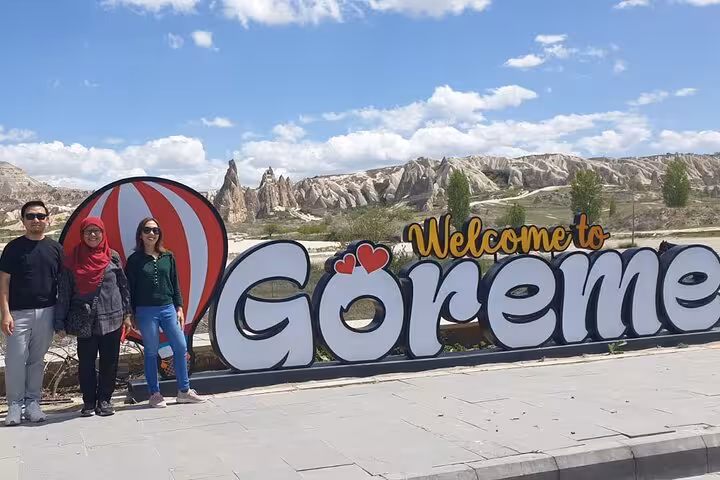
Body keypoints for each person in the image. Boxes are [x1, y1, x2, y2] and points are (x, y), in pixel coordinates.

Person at [54, 217, 133, 417]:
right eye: (88, 231)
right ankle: (89, 401)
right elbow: (64, 292)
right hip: (85, 321)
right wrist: (59, 322)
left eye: (96, 231)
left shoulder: (112, 257)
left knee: (110, 361)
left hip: (113, 319)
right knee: (86, 362)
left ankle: (105, 400)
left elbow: (123, 287)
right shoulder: (73, 259)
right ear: (82, 235)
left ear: (102, 233)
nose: (92, 235)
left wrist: (127, 315)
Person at [124, 217, 204, 408]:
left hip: (168, 308)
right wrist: (129, 314)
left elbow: (175, 283)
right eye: (147, 230)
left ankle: (184, 391)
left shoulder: (168, 257)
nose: (151, 234)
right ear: (140, 234)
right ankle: (155, 394)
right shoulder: (134, 260)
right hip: (145, 311)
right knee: (151, 351)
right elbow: (128, 289)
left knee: (180, 346)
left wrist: (180, 306)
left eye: (155, 230)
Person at [0, 200, 63, 426]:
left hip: (47, 312)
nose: (35, 220)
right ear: (23, 220)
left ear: (47, 219)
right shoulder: (13, 248)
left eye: (40, 216)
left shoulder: (55, 248)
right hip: (19, 313)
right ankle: (15, 406)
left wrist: (60, 317)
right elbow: (3, 283)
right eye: (30, 216)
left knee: (36, 361)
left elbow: (61, 283)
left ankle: (33, 403)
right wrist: (5, 314)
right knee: (15, 360)